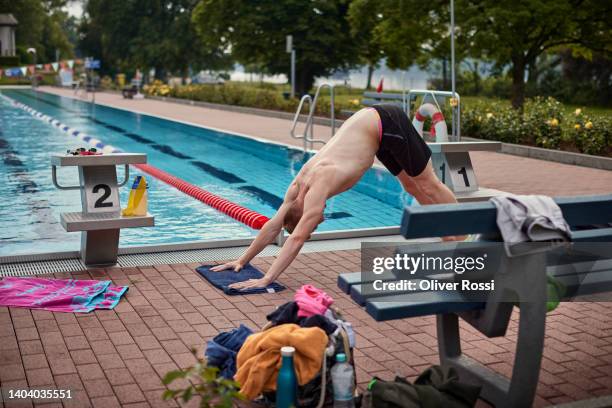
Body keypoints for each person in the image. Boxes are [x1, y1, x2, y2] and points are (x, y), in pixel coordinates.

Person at [212, 104, 460, 289]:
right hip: (373, 129)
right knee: (412, 188)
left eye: (312, 227)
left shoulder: (315, 191)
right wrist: (242, 260)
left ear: (305, 217)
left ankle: (465, 239)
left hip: (386, 121)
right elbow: (274, 225)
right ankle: (450, 239)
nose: (318, 224)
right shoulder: (296, 189)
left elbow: (296, 237)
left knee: (428, 184)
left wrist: (266, 279)